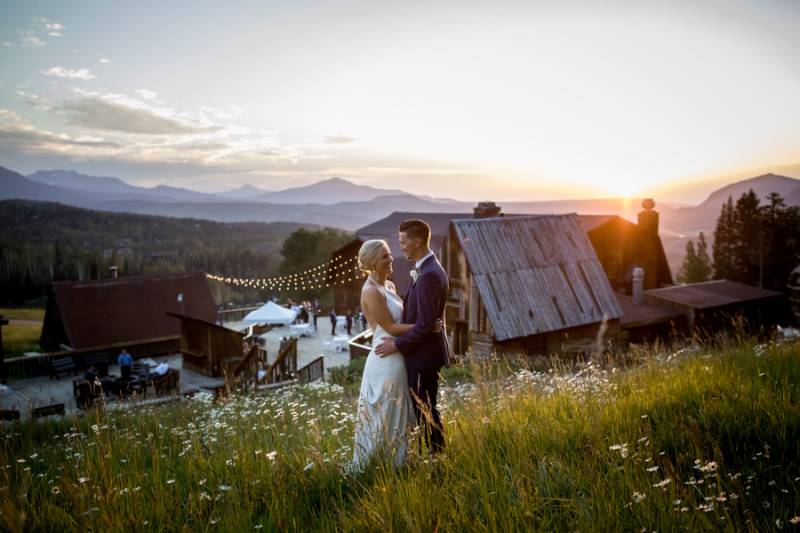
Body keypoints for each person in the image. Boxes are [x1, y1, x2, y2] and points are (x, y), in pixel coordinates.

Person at [350, 239, 442, 471]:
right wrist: (426, 325)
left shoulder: (388, 286)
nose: (391, 259)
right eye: (384, 256)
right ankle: (382, 466)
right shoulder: (370, 291)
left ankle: (403, 461)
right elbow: (390, 328)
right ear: (371, 262)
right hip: (386, 355)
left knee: (403, 410)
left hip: (399, 352)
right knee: (386, 411)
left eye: (389, 254)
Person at [376, 219, 449, 454]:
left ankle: (438, 460)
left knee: (426, 411)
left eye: (403, 242)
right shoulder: (427, 269)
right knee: (424, 410)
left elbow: (426, 325)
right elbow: (426, 321)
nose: (401, 248)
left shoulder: (429, 275)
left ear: (417, 242)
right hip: (423, 354)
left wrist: (396, 344)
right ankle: (433, 456)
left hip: (424, 356)